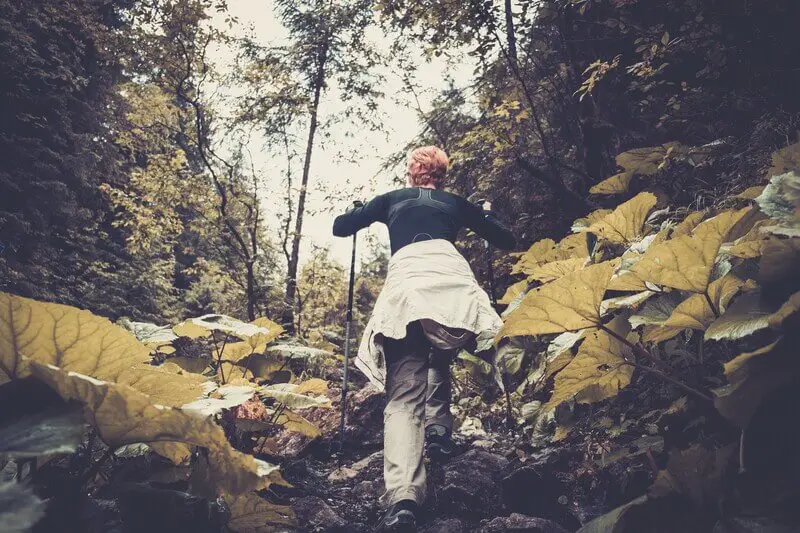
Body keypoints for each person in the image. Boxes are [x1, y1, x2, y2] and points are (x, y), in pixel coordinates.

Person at [332, 146, 515, 531]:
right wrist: (485, 212)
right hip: (451, 283)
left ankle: (403, 498)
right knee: (460, 346)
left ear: (413, 172)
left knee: (403, 397)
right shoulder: (455, 203)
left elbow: (340, 227)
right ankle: (444, 429)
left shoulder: (391, 199)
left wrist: (358, 208)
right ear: (441, 175)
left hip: (408, 285)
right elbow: (505, 238)